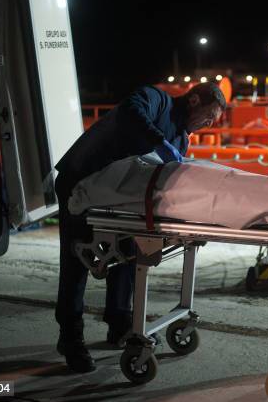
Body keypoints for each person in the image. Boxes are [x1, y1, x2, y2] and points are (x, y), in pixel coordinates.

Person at [54, 82, 226, 373]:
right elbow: (130, 112)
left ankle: (120, 323)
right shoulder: (157, 101)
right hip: (82, 178)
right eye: (208, 117)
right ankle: (70, 337)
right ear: (194, 100)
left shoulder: (181, 139)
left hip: (117, 197)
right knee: (77, 259)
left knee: (127, 251)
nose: (207, 125)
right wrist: (160, 142)